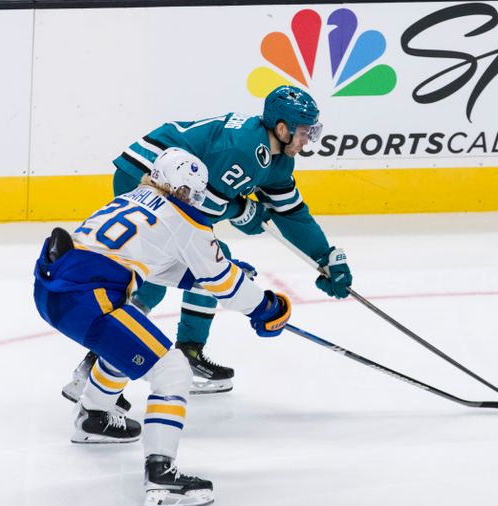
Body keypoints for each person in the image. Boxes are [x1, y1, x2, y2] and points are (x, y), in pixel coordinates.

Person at [33, 148, 291, 506]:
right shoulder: (186, 220)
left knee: (127, 342)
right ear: (187, 189)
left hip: (54, 286)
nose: (194, 200)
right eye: (193, 193)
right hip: (89, 298)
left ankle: (94, 417)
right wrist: (268, 306)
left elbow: (152, 263)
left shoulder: (132, 198)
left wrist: (205, 277)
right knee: (172, 370)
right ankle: (161, 477)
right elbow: (228, 287)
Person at [61, 85, 353, 401]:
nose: (308, 138)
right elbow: (200, 206)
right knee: (185, 268)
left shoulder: (278, 159)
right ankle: (96, 367)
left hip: (171, 181)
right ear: (281, 128)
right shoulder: (243, 149)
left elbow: (291, 212)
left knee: (204, 265)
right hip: (146, 176)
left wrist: (324, 256)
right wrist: (240, 209)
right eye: (304, 131)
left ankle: (185, 354)